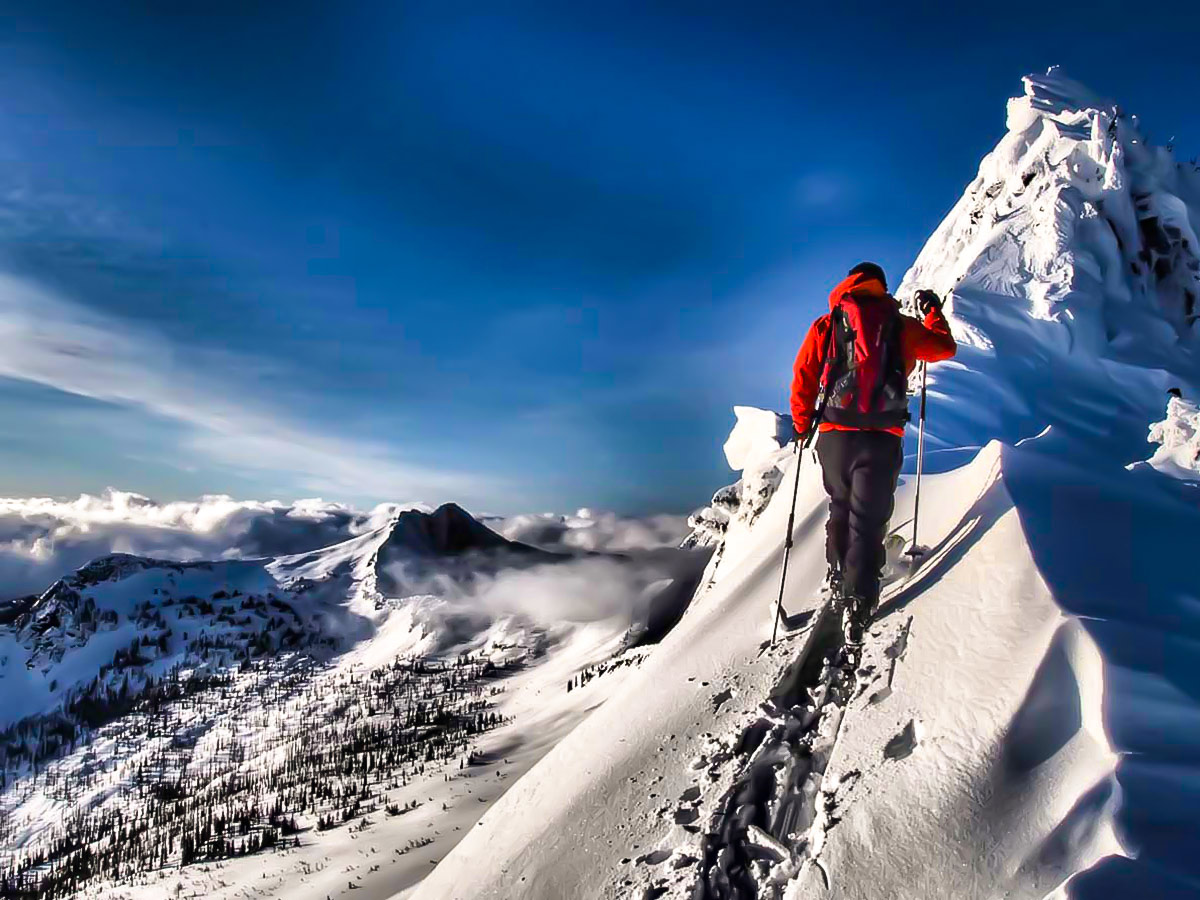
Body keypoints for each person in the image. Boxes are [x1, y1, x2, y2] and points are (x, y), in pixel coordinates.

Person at [790, 262, 956, 665]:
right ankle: (859, 604)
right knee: (869, 519)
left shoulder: (827, 325)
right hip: (882, 436)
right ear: (881, 287)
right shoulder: (898, 324)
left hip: (835, 435)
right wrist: (932, 311)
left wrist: (801, 425)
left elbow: (803, 376)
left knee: (840, 507)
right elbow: (943, 348)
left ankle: (837, 573)